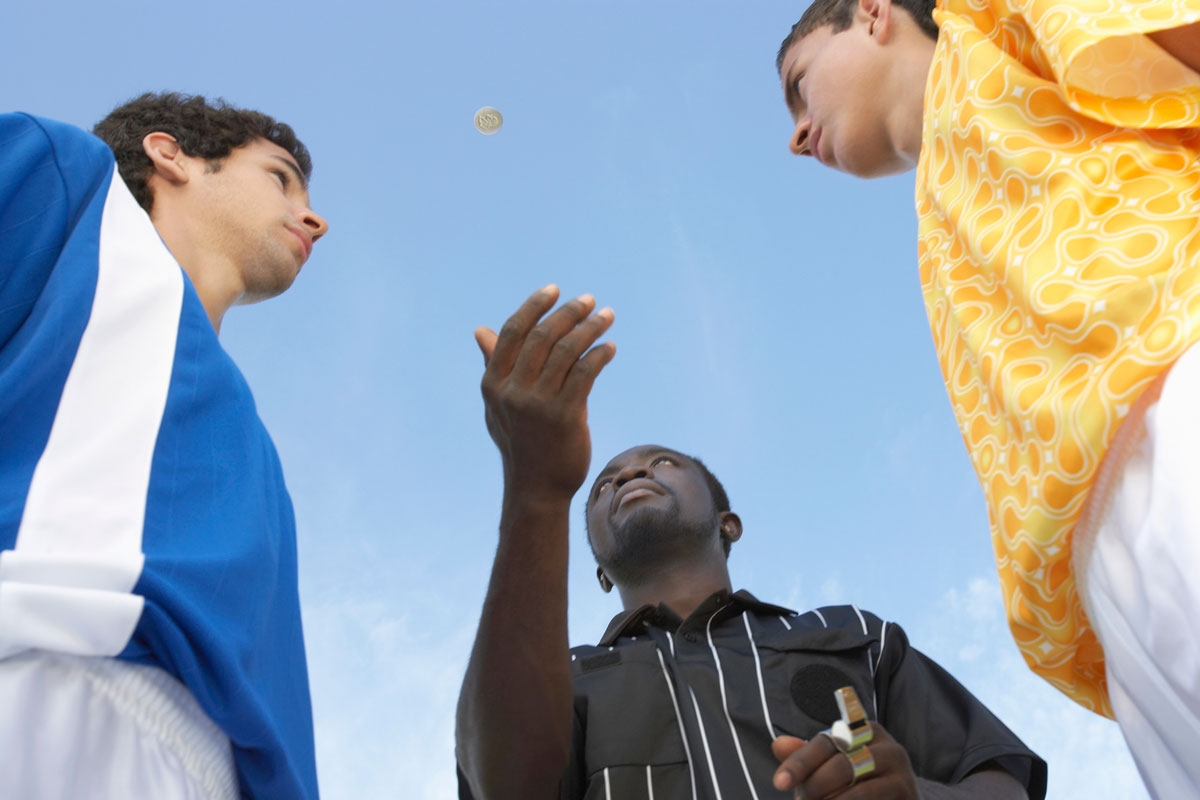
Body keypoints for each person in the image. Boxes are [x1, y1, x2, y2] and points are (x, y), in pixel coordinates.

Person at [775, 1, 1200, 794]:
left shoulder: (989, 17)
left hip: (1179, 384)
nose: (797, 134)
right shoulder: (937, 216)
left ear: (871, 14)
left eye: (800, 85)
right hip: (1106, 571)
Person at [455, 287, 1046, 799]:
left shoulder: (855, 639)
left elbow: (998, 780)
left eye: (662, 462)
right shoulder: (559, 680)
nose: (630, 475)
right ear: (601, 569)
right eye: (603, 484)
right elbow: (504, 787)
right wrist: (534, 486)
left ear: (727, 522)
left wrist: (915, 793)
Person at [0, 93, 329, 798]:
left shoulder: (251, 451)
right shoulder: (67, 182)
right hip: (35, 680)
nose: (315, 218)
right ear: (170, 154)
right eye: (279, 177)